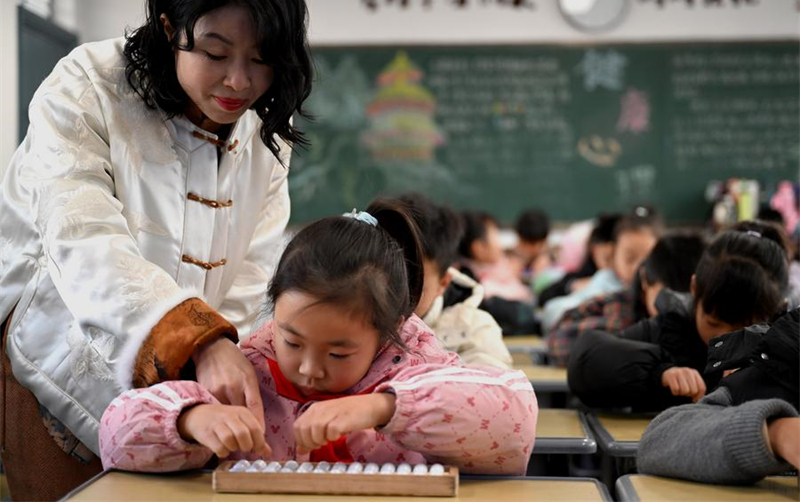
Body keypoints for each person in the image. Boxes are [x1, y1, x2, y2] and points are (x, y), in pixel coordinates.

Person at [0, 0, 312, 499]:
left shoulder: (263, 138)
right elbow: (81, 233)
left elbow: (252, 275)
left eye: (261, 58)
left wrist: (225, 364)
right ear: (170, 28)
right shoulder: (89, 85)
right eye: (216, 54)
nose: (239, 81)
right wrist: (202, 340)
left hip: (189, 386)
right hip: (59, 353)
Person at [98, 200, 538, 475]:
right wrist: (188, 420)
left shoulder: (414, 368)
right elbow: (116, 436)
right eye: (292, 342)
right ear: (275, 311)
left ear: (387, 334)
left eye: (339, 352)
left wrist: (381, 406)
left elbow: (515, 422)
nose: (309, 368)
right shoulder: (248, 374)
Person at [568, 221, 790, 411]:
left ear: (776, 310)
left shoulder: (786, 343)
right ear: (694, 289)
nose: (725, 340)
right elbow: (586, 361)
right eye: (713, 323)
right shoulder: (671, 328)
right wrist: (659, 372)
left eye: (743, 329)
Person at [637, 308, 799, 484]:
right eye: (713, 323)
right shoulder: (779, 358)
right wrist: (777, 433)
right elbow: (659, 442)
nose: (724, 332)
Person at [547, 233, 706, 367]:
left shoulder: (708, 314)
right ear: (645, 280)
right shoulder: (619, 310)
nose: (679, 306)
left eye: (687, 299)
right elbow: (559, 343)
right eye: (668, 299)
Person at [397, 193, 512, 369]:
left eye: (413, 283)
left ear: (443, 283)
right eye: (387, 278)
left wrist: (388, 397)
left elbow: (490, 389)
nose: (396, 293)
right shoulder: (358, 318)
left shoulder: (474, 329)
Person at [540, 209, 661, 332]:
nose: (637, 267)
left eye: (647, 259)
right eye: (629, 259)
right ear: (614, 256)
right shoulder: (604, 282)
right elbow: (553, 312)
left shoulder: (663, 288)